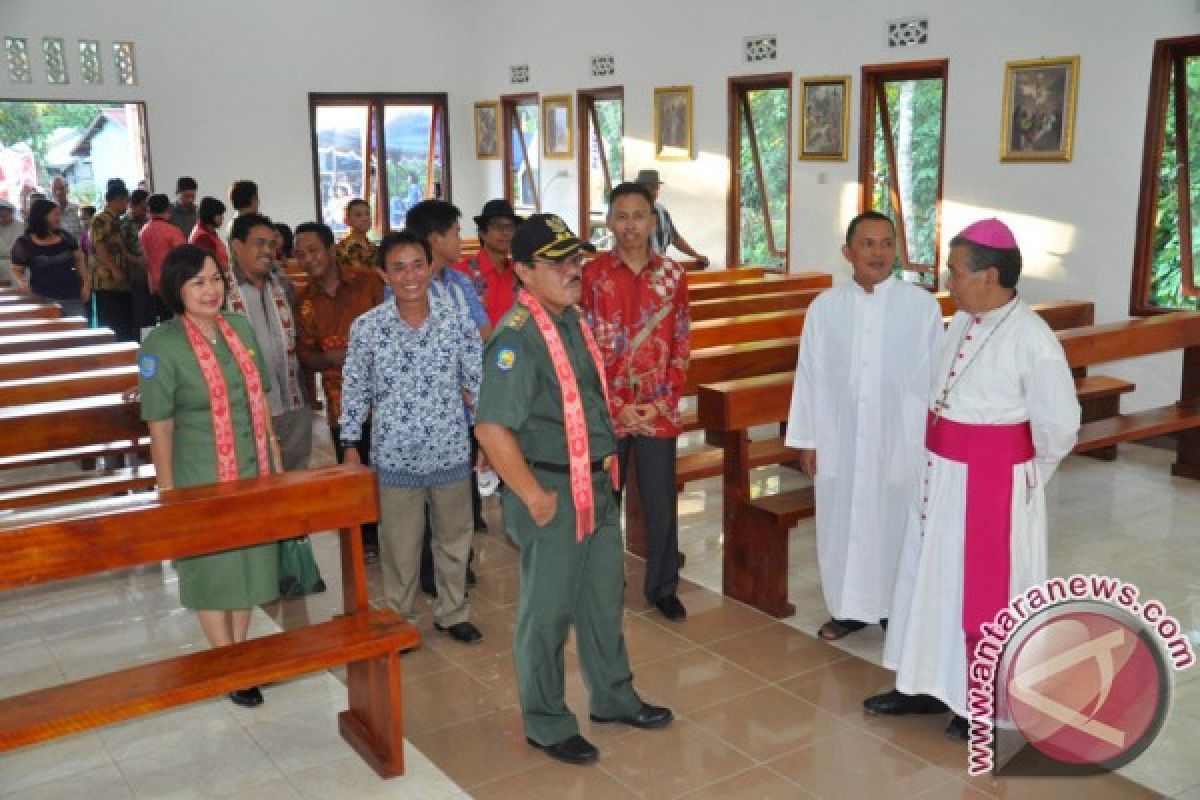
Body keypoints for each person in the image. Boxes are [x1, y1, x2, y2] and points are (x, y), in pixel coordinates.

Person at [866, 218, 1081, 740]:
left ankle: (974, 699)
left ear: (988, 275)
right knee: (926, 581)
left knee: (976, 595)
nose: (948, 280)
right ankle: (921, 683)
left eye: (956, 271)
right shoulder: (962, 321)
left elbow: (1060, 426)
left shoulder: (1033, 339)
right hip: (941, 478)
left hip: (990, 487)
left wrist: (1025, 479)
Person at [476, 213, 673, 765]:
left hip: (598, 485)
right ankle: (545, 721)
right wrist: (534, 497)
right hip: (555, 495)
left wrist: (617, 418)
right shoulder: (516, 338)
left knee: (602, 601)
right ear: (523, 271)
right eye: (558, 262)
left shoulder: (569, 322)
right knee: (548, 613)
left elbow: (579, 400)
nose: (573, 270)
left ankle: (613, 697)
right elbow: (491, 428)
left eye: (575, 258)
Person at [785, 211, 943, 642]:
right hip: (841, 436)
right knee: (843, 521)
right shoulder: (825, 308)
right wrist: (806, 438)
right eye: (868, 244)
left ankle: (897, 610)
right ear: (847, 253)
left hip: (901, 436)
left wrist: (934, 440)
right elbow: (810, 375)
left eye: (887, 244)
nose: (878, 253)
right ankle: (848, 609)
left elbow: (936, 379)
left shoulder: (921, 306)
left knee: (898, 521)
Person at [139, 243, 282, 708]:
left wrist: (275, 462)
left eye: (216, 278)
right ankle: (227, 664)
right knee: (213, 568)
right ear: (176, 288)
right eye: (197, 281)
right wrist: (168, 494)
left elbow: (258, 401)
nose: (210, 289)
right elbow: (160, 425)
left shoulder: (239, 328)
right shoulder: (161, 344)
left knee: (248, 565)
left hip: (251, 467)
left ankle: (241, 655)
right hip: (199, 475)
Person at [339, 230, 483, 644]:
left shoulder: (455, 322)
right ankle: (399, 616)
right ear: (383, 274)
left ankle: (452, 611)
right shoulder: (368, 328)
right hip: (394, 455)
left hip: (450, 449)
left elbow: (477, 381)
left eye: (417, 265)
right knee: (399, 546)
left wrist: (487, 438)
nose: (410, 276)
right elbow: (355, 388)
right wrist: (350, 444)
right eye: (398, 268)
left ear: (430, 267)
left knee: (455, 538)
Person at [580, 182, 691, 622]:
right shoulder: (592, 276)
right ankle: (603, 585)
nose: (630, 225)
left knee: (661, 501)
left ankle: (663, 587)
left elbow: (681, 339)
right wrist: (618, 405)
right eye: (621, 216)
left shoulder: (672, 276)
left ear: (653, 221)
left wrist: (661, 401)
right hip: (609, 413)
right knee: (606, 500)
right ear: (609, 221)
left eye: (638, 216)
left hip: (657, 411)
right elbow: (584, 344)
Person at [407, 199, 490, 574]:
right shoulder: (406, 290)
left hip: (466, 407)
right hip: (425, 411)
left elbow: (484, 332)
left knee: (463, 494)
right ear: (435, 239)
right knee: (429, 497)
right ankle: (432, 569)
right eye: (456, 234)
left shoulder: (460, 283)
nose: (462, 241)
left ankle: (458, 564)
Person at [294, 221, 385, 556]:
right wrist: (326, 358)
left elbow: (393, 323)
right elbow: (304, 353)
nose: (308, 259)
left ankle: (399, 533)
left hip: (386, 397)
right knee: (354, 469)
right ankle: (367, 540)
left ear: (331, 249)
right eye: (300, 255)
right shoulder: (304, 302)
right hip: (341, 403)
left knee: (389, 469)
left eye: (313, 250)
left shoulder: (367, 282)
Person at [226, 213, 313, 477]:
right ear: (237, 246)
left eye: (272, 244)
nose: (268, 251)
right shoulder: (218, 291)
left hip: (293, 404)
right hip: (245, 413)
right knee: (257, 488)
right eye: (259, 243)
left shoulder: (283, 285)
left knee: (295, 483)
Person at [9, 198, 88, 317]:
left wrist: (86, 283)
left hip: (72, 296)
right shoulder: (24, 243)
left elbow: (79, 259)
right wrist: (22, 282)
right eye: (55, 215)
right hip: (42, 298)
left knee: (78, 331)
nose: (59, 218)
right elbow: (16, 270)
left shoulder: (65, 236)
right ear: (43, 217)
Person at [453, 198, 521, 327]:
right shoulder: (461, 273)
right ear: (482, 233)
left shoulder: (521, 274)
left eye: (510, 227)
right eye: (497, 226)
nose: (505, 232)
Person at [90, 181, 137, 341]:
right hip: (106, 280)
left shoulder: (117, 220)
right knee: (111, 323)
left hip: (120, 280)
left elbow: (119, 247)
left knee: (124, 322)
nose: (127, 205)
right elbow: (99, 247)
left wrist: (134, 261)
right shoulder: (100, 219)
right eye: (126, 201)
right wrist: (115, 270)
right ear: (118, 200)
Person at [634, 169, 709, 267]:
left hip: (658, 270)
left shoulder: (662, 211)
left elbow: (675, 238)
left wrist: (695, 255)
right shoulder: (630, 212)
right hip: (635, 270)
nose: (651, 191)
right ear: (638, 189)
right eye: (646, 188)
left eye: (655, 188)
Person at [139, 193, 185, 324]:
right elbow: (182, 258)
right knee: (177, 324)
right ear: (168, 208)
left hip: (153, 285)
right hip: (172, 284)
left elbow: (143, 260)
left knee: (163, 322)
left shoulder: (143, 231)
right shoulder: (173, 231)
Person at [122, 189, 153, 335]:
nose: (145, 210)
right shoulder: (125, 223)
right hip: (134, 274)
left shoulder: (148, 221)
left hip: (149, 273)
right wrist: (136, 260)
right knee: (139, 315)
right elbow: (120, 249)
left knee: (150, 315)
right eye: (142, 207)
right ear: (133, 206)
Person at [334, 198, 376, 273]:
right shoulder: (341, 250)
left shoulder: (375, 248)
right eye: (358, 215)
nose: (365, 218)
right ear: (347, 221)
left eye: (367, 214)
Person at [189, 196, 229, 271]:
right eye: (220, 215)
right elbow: (210, 264)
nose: (222, 218)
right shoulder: (203, 237)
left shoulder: (209, 232)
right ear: (212, 215)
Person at [0, 200, 21, 286]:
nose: (2, 218)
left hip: (17, 266)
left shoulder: (21, 226)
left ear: (11, 213)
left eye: (5, 215)